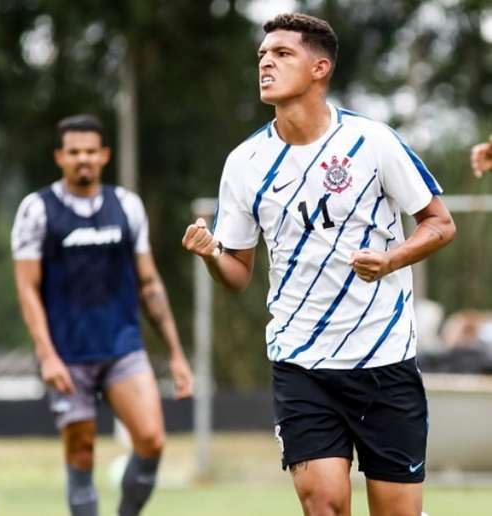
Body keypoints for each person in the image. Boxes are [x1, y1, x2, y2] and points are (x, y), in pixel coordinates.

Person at [182, 13, 455, 516]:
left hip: (385, 358)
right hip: (301, 362)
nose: (266, 63)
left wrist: (391, 258)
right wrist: (212, 257)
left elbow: (440, 223)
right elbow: (237, 274)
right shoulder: (244, 163)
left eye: (282, 54)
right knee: (324, 504)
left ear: (319, 68)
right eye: (262, 55)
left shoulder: (373, 142)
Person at [12, 114, 193, 516]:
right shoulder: (37, 210)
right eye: (74, 152)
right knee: (81, 453)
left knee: (151, 439)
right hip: (67, 354)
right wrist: (46, 354)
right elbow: (27, 288)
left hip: (121, 348)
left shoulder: (126, 205)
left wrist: (177, 354)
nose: (83, 159)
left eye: (91, 151)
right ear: (59, 156)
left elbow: (149, 283)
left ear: (105, 155)